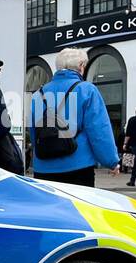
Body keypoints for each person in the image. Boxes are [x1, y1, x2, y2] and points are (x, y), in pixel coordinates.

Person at [27, 47, 119, 187]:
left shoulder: (38, 95)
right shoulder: (86, 90)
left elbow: (34, 133)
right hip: (78, 166)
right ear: (81, 66)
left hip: (44, 168)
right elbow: (99, 130)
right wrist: (111, 161)